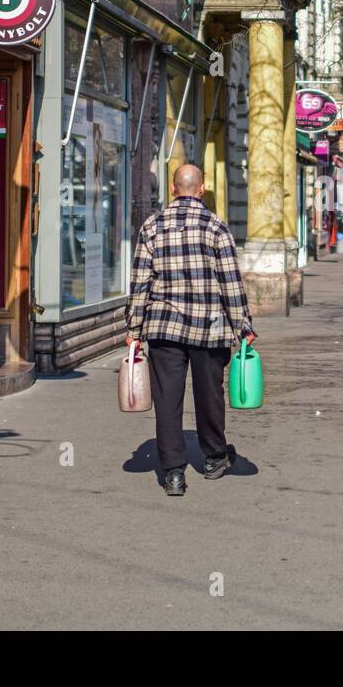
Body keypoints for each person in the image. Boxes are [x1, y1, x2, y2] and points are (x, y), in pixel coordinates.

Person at [125, 164, 255, 497]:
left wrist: (133, 328)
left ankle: (173, 473)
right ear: (201, 190)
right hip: (209, 327)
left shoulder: (152, 226)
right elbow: (230, 281)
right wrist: (243, 324)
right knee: (209, 393)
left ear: (172, 188)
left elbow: (141, 282)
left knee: (168, 399)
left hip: (163, 326)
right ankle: (213, 458)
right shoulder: (216, 227)